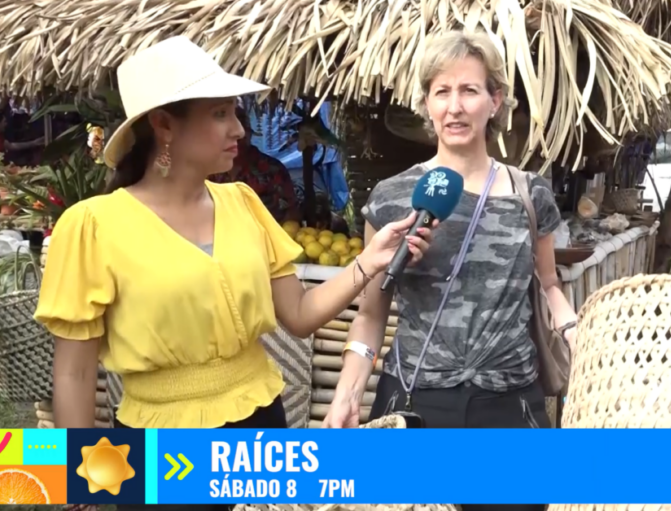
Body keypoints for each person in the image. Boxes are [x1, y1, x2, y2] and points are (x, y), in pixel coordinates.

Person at [34, 36, 434, 511]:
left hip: (260, 429)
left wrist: (370, 260)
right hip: (159, 447)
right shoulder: (93, 226)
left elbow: (300, 315)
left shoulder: (243, 203)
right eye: (221, 113)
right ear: (164, 124)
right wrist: (81, 483)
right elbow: (76, 370)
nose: (240, 130)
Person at [323, 30, 578, 511]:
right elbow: (371, 314)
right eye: (442, 91)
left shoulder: (531, 193)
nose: (455, 106)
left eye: (469, 90)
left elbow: (547, 283)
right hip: (414, 405)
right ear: (426, 103)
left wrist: (571, 327)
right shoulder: (393, 197)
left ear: (495, 100)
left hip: (511, 407)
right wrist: (347, 392)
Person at [208, 106, 300, 223]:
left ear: (249, 136)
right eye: (229, 138)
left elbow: (292, 215)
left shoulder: (272, 169)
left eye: (239, 138)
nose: (235, 144)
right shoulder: (210, 170)